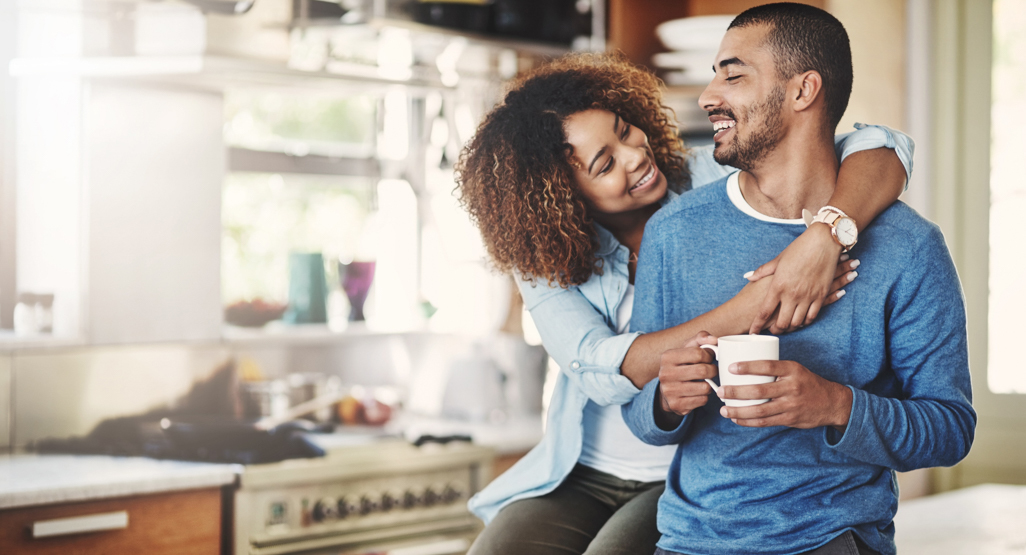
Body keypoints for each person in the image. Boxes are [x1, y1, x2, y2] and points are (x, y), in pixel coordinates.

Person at [455, 50, 915, 554]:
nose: (634, 155)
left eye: (625, 129)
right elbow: (602, 368)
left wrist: (824, 238)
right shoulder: (543, 257)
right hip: (583, 469)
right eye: (605, 163)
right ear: (561, 196)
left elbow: (881, 147)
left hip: (680, 471)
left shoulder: (713, 178)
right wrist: (758, 300)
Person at [622, 4, 976, 555]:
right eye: (714, 74)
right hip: (691, 541)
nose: (708, 95)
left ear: (803, 90)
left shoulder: (910, 248)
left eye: (733, 75)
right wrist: (666, 400)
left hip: (832, 539)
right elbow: (641, 414)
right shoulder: (674, 232)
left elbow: (950, 428)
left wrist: (834, 405)